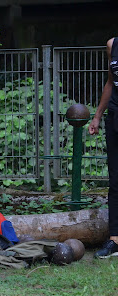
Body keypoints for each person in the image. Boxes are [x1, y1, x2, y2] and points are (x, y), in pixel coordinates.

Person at [89, 37, 118, 259]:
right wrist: (97, 116)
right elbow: (110, 82)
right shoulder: (112, 45)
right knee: (116, 181)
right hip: (115, 118)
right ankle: (115, 240)